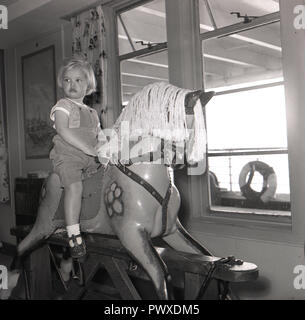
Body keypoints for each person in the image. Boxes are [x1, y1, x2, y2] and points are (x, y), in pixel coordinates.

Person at [49, 58, 105, 259]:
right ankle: (73, 235)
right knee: (75, 186)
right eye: (67, 80)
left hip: (89, 157)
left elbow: (99, 137)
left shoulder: (92, 113)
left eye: (78, 80)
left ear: (88, 85)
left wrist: (105, 148)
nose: (72, 85)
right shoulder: (63, 106)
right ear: (61, 83)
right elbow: (64, 130)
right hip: (68, 156)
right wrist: (90, 149)